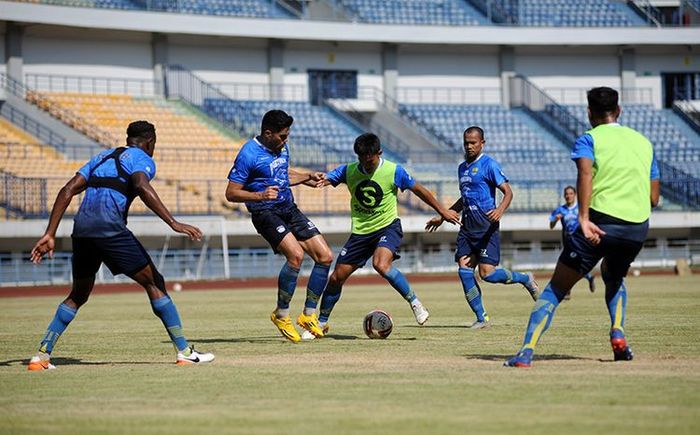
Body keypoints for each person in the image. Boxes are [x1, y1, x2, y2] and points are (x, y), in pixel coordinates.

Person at [28, 121, 214, 371]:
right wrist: (173, 222)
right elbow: (140, 184)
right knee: (154, 283)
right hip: (110, 230)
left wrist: (50, 233)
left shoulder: (101, 157)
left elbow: (66, 190)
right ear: (151, 142)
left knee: (78, 294)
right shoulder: (140, 158)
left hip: (82, 231)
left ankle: (41, 356)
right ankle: (184, 351)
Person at [505, 87, 660, 368]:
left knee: (555, 289)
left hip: (599, 225)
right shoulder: (644, 143)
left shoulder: (589, 139)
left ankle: (526, 352)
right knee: (614, 277)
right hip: (636, 229)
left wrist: (585, 217)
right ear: (619, 110)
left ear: (589, 112)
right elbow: (654, 198)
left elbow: (585, 173)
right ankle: (618, 334)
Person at [306, 133, 461, 339]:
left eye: (370, 160)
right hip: (361, 233)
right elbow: (326, 179)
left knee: (381, 264)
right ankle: (321, 323)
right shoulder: (348, 170)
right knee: (336, 278)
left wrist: (442, 211)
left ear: (379, 153)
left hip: (388, 226)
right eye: (362, 159)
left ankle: (415, 303)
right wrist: (315, 179)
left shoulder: (394, 171)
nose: (366, 164)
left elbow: (419, 190)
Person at [225, 110, 333, 343]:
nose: (286, 140)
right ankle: (281, 314)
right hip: (265, 212)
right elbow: (231, 193)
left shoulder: (281, 147)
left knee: (325, 256)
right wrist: (260, 195)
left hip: (288, 208)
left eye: (287, 136)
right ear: (267, 133)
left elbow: (282, 173)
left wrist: (306, 177)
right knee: (295, 256)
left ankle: (308, 316)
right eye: (282, 136)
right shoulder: (248, 153)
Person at [426, 126, 539, 330]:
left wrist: (500, 210)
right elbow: (465, 197)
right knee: (464, 271)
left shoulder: (489, 165)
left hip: (487, 228)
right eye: (466, 143)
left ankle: (525, 278)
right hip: (467, 228)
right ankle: (482, 318)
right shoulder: (462, 168)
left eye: (473, 143)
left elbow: (508, 192)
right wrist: (443, 215)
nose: (469, 146)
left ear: (482, 143)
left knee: (487, 274)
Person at [549, 185, 596, 299]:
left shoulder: (581, 209)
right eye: (566, 194)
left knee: (568, 264)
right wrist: (555, 220)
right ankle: (588, 277)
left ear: (575, 195)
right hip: (567, 240)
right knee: (573, 265)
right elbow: (551, 225)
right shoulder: (560, 210)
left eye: (570, 193)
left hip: (579, 240)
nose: (568, 196)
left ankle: (567, 291)